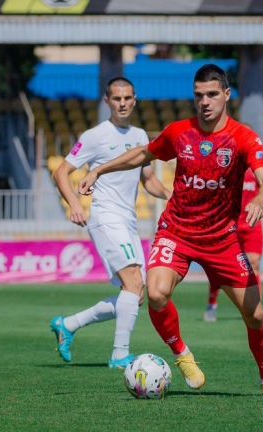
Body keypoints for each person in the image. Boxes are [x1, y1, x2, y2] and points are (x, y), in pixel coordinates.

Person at [78, 64, 263, 398]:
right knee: (156, 293)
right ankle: (182, 355)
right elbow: (142, 154)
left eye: (212, 94)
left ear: (226, 95)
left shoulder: (243, 137)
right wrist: (99, 170)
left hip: (221, 239)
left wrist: (260, 201)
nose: (205, 102)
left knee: (255, 314)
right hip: (177, 232)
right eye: (199, 95)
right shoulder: (179, 132)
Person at [49, 77, 171, 369]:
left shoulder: (140, 135)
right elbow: (60, 172)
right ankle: (119, 355)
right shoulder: (95, 136)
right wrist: (74, 204)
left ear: (135, 100)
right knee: (133, 283)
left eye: (127, 98)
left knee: (135, 294)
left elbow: (149, 180)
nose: (123, 103)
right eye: (117, 99)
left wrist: (172, 195)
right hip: (105, 217)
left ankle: (67, 324)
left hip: (128, 221)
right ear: (107, 102)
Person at [203, 167, 263, 322]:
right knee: (219, 268)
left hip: (252, 224)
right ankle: (212, 303)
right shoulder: (227, 167)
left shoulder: (257, 169)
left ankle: (256, 307)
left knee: (254, 264)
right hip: (229, 224)